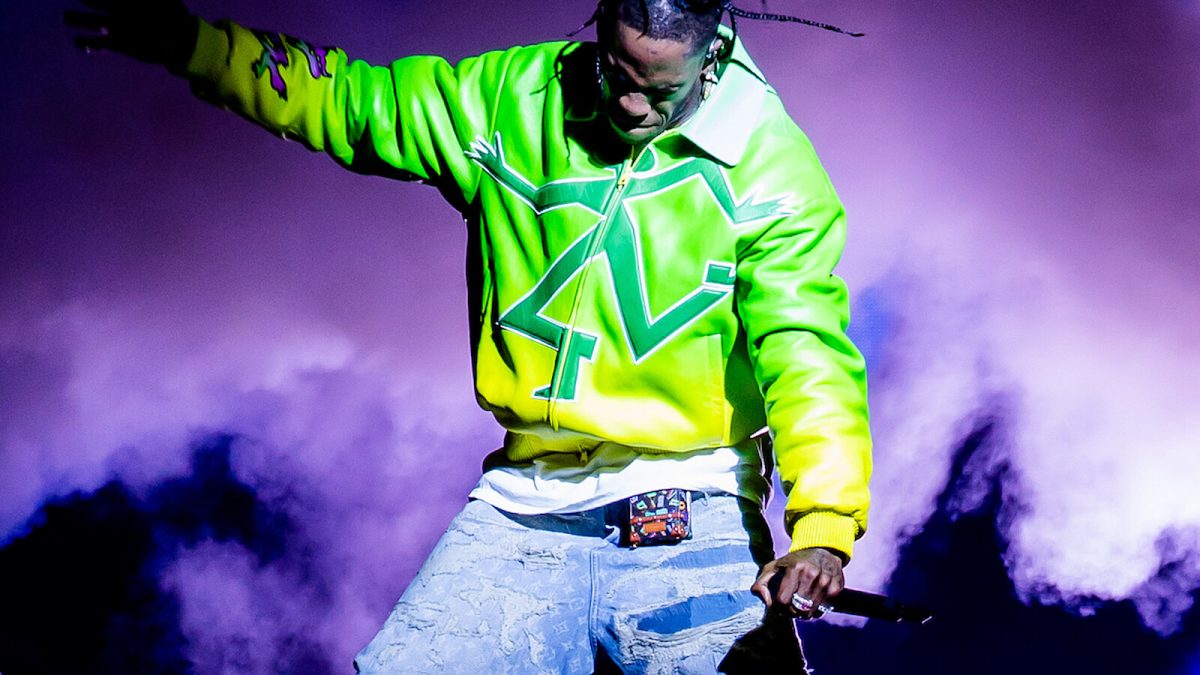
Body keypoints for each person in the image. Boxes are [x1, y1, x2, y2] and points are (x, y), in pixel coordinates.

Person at [66, 0, 873, 671]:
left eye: (660, 94)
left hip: (689, 505)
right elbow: (352, 100)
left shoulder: (774, 172)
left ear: (713, 54)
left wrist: (825, 529)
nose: (631, 107)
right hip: (523, 509)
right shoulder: (509, 99)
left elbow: (808, 356)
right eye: (618, 76)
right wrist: (193, 44)